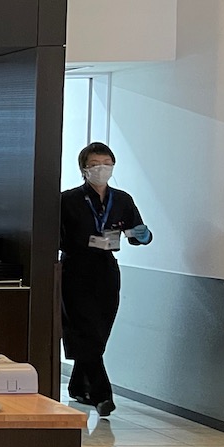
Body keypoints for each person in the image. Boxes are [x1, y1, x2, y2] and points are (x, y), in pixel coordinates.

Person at [60, 141, 152, 417]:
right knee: (83, 328)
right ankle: (102, 394)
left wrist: (141, 235)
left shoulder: (122, 200)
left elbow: (137, 235)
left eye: (106, 163)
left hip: (106, 270)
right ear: (84, 169)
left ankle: (78, 386)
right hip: (75, 269)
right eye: (95, 164)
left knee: (99, 330)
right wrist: (84, 241)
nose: (102, 168)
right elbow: (56, 236)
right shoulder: (68, 200)